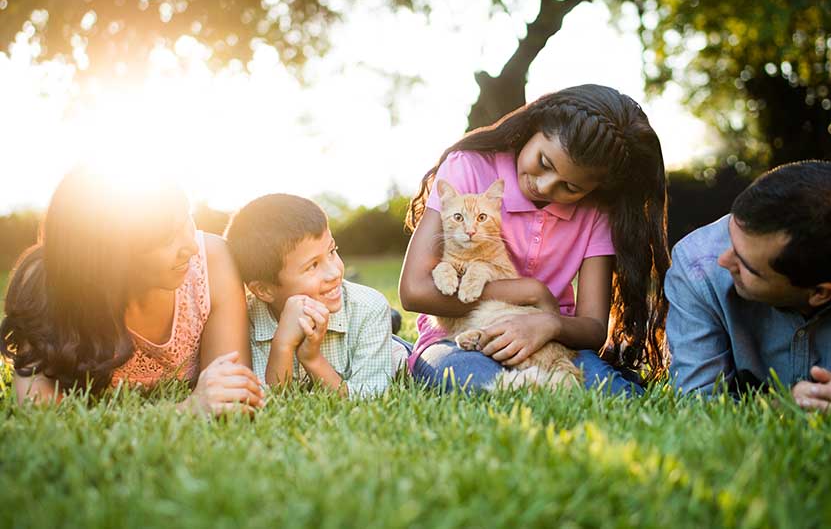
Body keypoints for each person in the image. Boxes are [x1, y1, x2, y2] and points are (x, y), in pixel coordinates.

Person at [399, 84, 669, 393]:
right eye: (543, 163)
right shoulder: (469, 166)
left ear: (595, 189)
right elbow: (414, 291)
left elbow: (593, 328)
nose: (545, 185)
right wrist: (531, 292)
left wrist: (547, 324)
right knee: (465, 376)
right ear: (535, 126)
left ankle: (545, 386)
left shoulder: (595, 212)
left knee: (614, 393)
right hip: (458, 340)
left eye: (570, 187)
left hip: (552, 345)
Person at [0, 165, 264, 415]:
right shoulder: (44, 287)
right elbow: (40, 413)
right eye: (167, 239)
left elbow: (232, 392)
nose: (191, 247)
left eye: (187, 219)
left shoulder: (212, 261)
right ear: (108, 256)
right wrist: (185, 410)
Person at [665, 160, 831, 410]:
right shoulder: (699, 268)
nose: (724, 260)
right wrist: (778, 407)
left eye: (747, 266)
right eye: (732, 237)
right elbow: (697, 405)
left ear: (820, 293)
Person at [225, 194, 409, 398]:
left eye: (332, 251)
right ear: (264, 290)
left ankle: (391, 324)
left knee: (399, 357)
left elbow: (370, 395)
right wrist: (283, 345)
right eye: (312, 265)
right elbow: (270, 401)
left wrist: (312, 359)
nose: (334, 272)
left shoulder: (370, 307)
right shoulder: (245, 321)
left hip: (381, 342)